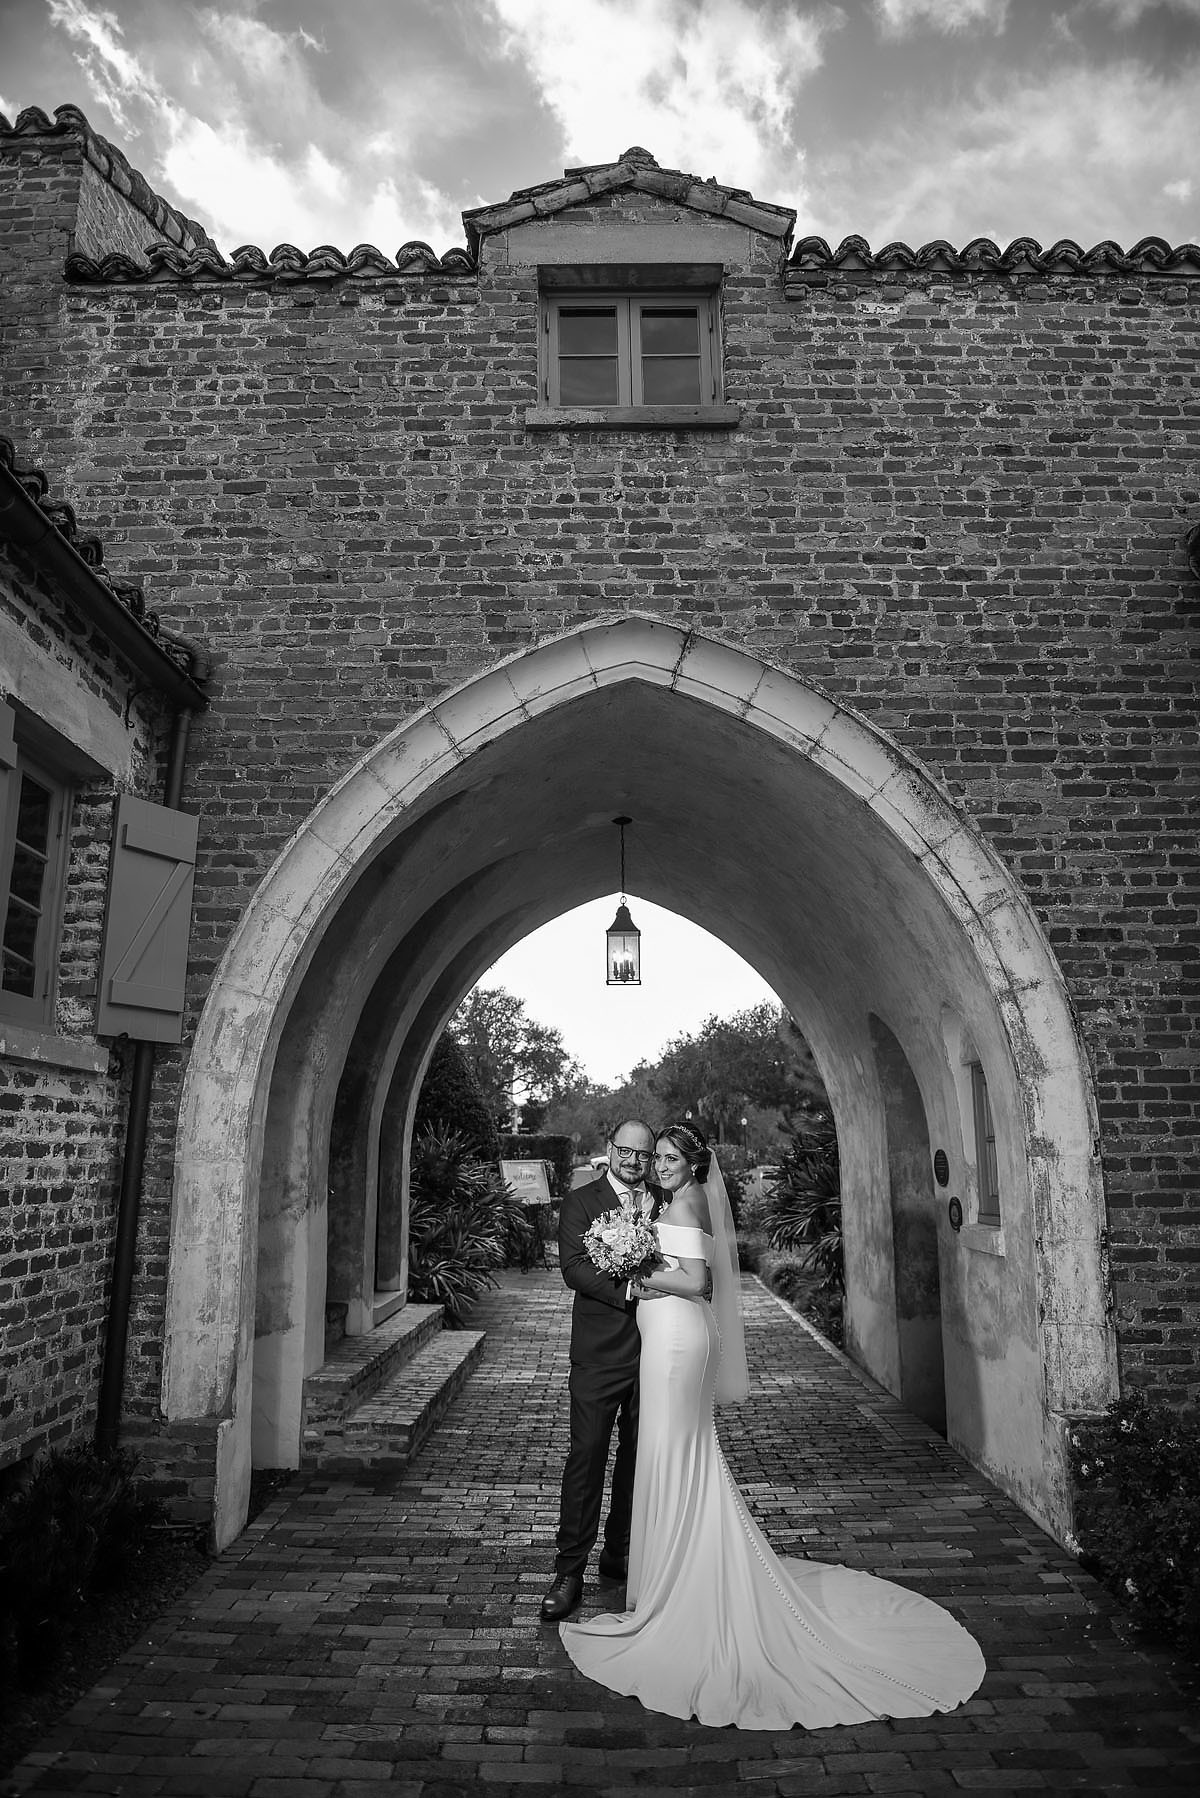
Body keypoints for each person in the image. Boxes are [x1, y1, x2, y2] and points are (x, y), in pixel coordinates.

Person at [558, 1120, 987, 1731]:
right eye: (644, 1155)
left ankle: (662, 1571)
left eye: (663, 1155)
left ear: (687, 1161)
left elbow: (697, 1280)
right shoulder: (597, 1201)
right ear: (613, 1153)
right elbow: (580, 1269)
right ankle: (595, 1569)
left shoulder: (678, 1199)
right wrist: (626, 1270)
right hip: (624, 1353)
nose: (652, 1164)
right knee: (624, 1455)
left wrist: (631, 1271)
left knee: (666, 1454)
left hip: (674, 1347)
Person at [539, 1118, 659, 1623]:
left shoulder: (665, 1201)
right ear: (609, 1150)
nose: (634, 1162)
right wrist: (629, 1290)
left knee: (638, 1456)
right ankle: (570, 1571)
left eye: (644, 1155)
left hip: (655, 1349)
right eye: (625, 1152)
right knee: (586, 1456)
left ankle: (619, 1551)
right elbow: (574, 1268)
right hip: (597, 1352)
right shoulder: (580, 1203)